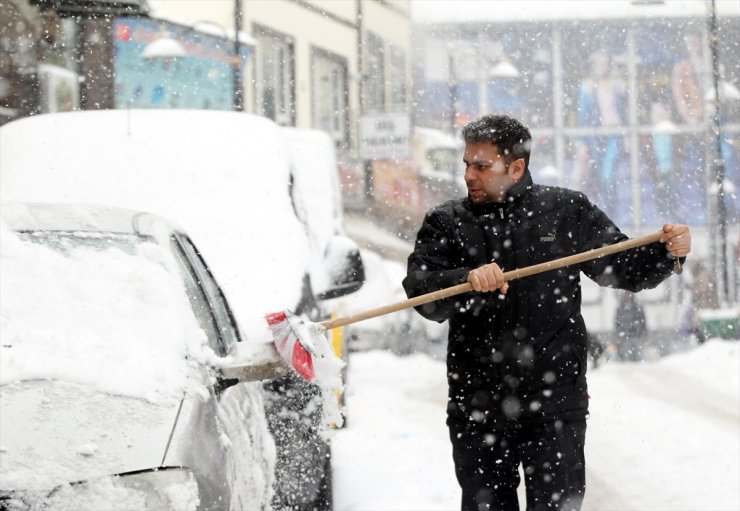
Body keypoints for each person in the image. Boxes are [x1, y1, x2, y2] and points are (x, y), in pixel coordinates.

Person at [402, 114, 692, 511]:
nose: (469, 174)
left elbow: (623, 266)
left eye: (482, 165)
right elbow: (421, 292)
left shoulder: (565, 211)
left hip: (555, 404)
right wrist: (465, 278)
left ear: (517, 167)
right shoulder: (447, 222)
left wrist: (668, 252)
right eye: (467, 163)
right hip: (478, 407)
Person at [613, 291, 647, 361]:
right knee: (625, 357)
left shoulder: (638, 307)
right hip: (624, 337)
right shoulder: (620, 308)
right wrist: (617, 334)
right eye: (626, 294)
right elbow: (617, 323)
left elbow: (643, 321)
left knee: (638, 356)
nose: (628, 296)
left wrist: (644, 332)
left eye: (629, 294)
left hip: (637, 336)